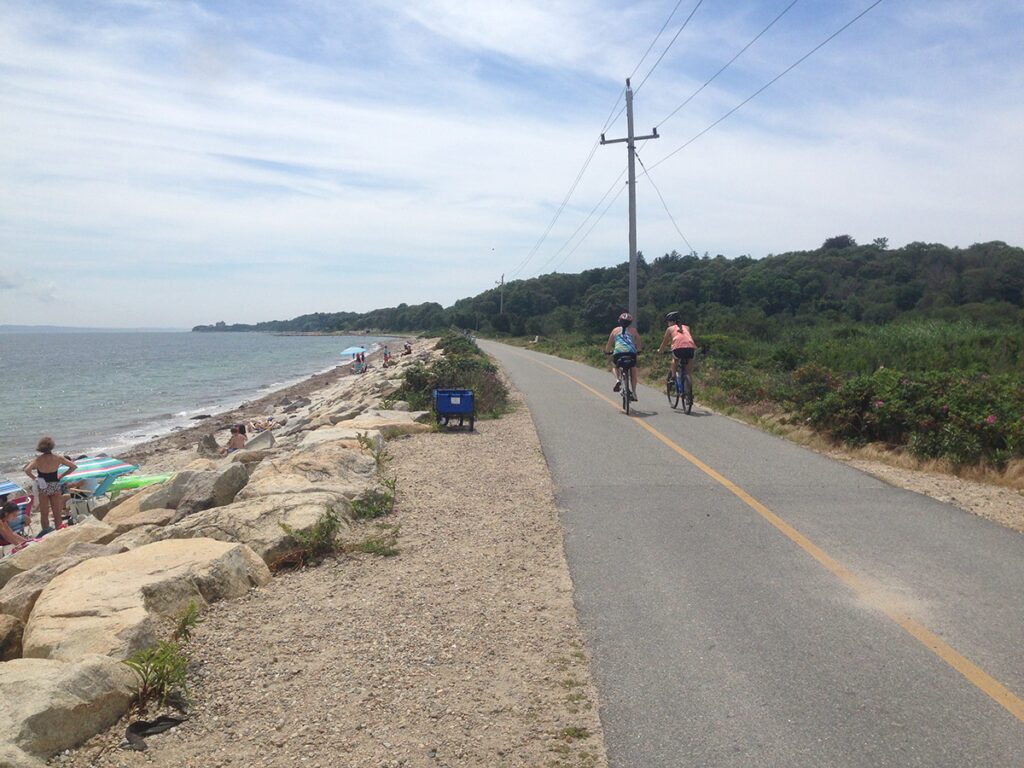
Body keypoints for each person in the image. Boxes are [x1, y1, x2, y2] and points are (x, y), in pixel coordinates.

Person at [23, 437, 76, 532]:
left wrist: (35, 478)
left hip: (43, 486)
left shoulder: (38, 459)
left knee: (44, 513)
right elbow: (73, 466)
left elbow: (27, 470)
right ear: (51, 446)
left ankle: (46, 531)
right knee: (57, 513)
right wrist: (62, 476)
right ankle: (59, 530)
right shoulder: (58, 457)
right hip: (55, 484)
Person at [604, 312, 642, 400]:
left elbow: (609, 345)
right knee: (633, 371)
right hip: (631, 353)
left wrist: (607, 351)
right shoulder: (633, 330)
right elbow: (638, 342)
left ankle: (618, 380)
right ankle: (634, 392)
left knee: (615, 366)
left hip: (618, 353)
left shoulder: (615, 330)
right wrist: (639, 350)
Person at [656, 310, 697, 387]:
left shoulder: (670, 329)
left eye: (668, 322)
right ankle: (688, 390)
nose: (667, 324)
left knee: (675, 360)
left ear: (671, 321)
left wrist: (660, 350)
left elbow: (664, 342)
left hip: (678, 349)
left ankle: (673, 377)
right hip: (690, 349)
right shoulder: (687, 327)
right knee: (688, 372)